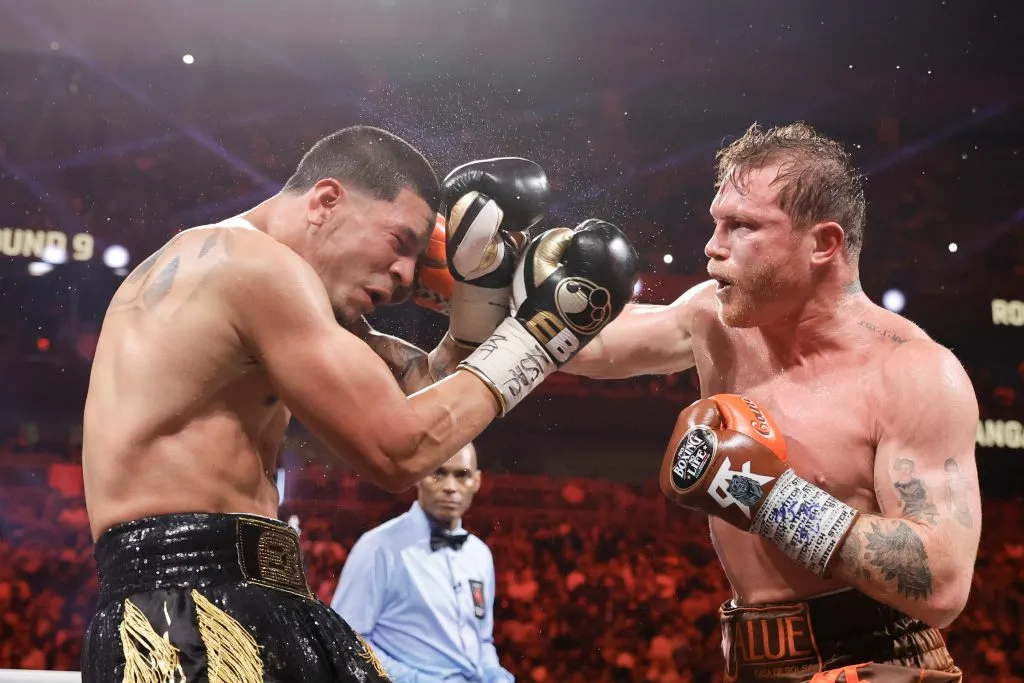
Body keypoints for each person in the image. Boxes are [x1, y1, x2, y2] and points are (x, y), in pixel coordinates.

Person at [80, 124, 640, 682]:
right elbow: (399, 448)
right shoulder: (251, 265)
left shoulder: (261, 282)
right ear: (326, 201)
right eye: (400, 244)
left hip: (240, 593)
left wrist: (481, 300)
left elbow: (424, 403)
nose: (403, 281)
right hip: (186, 613)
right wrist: (542, 334)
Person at [567, 122, 980, 682]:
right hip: (753, 660)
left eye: (741, 226)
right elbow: (579, 341)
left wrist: (769, 497)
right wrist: (468, 283)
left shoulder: (914, 372)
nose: (712, 247)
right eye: (717, 223)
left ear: (824, 244)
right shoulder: (713, 318)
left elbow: (943, 581)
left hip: (879, 658)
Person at [331, 442, 513, 683]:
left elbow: (481, 640)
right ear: (417, 476)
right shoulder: (378, 547)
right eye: (438, 473)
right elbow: (346, 640)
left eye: (462, 475)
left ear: (477, 481)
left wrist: (495, 675)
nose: (450, 487)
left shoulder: (480, 554)